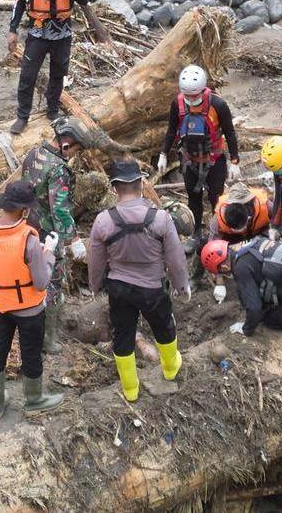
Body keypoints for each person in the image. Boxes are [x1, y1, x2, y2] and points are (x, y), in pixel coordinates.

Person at [87, 160, 190, 402]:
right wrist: (181, 286)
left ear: (114, 188)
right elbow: (175, 259)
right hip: (152, 287)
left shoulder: (103, 220)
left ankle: (131, 390)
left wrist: (94, 286)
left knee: (123, 334)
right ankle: (170, 367)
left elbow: (95, 259)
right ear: (142, 184)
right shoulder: (161, 218)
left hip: (119, 288)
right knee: (164, 327)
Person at [0, 180, 64, 416]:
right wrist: (49, 253)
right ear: (25, 210)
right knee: (30, 353)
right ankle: (34, 400)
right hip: (29, 310)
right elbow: (41, 281)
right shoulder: (29, 241)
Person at [8, 0, 93, 135]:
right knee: (28, 75)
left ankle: (52, 111)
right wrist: (12, 31)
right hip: (38, 33)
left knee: (58, 74)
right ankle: (22, 116)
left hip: (62, 34)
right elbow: (19, 3)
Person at [17, 117, 84, 353]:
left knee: (30, 278)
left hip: (27, 226)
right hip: (48, 233)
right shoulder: (59, 169)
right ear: (67, 144)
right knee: (52, 283)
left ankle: (30, 326)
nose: (76, 154)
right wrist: (73, 239)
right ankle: (47, 339)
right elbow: (60, 209)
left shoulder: (33, 154)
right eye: (76, 149)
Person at [158, 64, 239, 241]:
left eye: (194, 95)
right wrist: (163, 154)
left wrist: (234, 161)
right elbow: (172, 130)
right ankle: (196, 233)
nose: (191, 99)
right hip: (189, 161)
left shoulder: (218, 105)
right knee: (193, 197)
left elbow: (230, 132)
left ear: (202, 89)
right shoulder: (177, 104)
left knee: (216, 198)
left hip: (214, 161)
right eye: (187, 95)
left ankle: (219, 231)